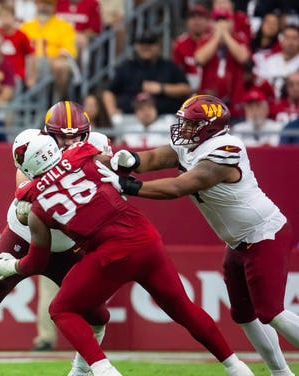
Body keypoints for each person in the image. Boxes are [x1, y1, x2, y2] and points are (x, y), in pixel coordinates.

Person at [0, 132, 253, 376]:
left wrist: (14, 267)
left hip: (111, 255)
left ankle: (104, 370)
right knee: (183, 308)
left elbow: (37, 262)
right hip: (147, 241)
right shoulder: (86, 156)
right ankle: (236, 367)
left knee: (61, 309)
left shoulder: (38, 209)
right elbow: (118, 162)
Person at [99, 94, 297, 376]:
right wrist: (131, 158)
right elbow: (157, 157)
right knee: (243, 314)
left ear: (210, 127)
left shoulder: (225, 150)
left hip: (264, 233)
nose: (184, 129)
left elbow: (182, 186)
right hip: (237, 242)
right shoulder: (192, 145)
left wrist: (128, 186)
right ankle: (280, 373)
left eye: (191, 124)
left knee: (271, 312)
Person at [0, 103, 111, 376]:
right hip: (24, 236)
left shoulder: (97, 148)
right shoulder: (33, 147)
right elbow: (24, 200)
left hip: (68, 245)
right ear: (48, 134)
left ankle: (81, 371)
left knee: (97, 315)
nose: (70, 142)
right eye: (63, 136)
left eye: (76, 136)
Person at [103, 31, 192, 116]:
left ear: (158, 46)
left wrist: (162, 88)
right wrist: (112, 111)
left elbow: (186, 89)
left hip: (164, 118)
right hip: (130, 117)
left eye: (150, 43)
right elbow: (109, 92)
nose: (146, 47)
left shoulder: (169, 67)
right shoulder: (126, 67)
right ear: (136, 46)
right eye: (142, 44)